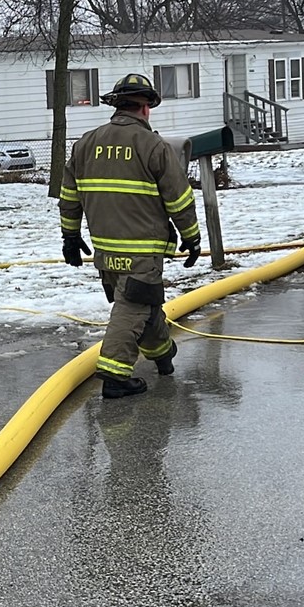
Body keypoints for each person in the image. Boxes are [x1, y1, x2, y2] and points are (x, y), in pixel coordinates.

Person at [59, 73, 201, 399]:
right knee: (132, 309)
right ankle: (115, 375)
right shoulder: (153, 145)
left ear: (117, 105)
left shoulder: (85, 143)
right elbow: (179, 198)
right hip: (142, 251)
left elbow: (69, 195)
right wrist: (191, 237)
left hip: (105, 252)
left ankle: (163, 356)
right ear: (145, 108)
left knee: (142, 308)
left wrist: (70, 236)